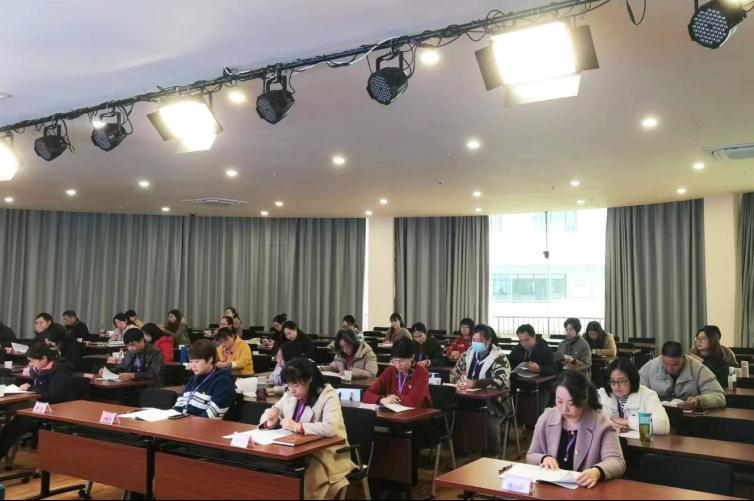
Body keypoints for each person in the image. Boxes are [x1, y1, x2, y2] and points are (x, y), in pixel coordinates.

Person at [260, 358, 354, 499]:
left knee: (305, 476)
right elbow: (273, 411)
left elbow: (330, 428)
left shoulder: (328, 394)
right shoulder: (290, 393)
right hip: (295, 449)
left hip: (326, 453)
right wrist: (270, 421)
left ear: (309, 379)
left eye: (296, 385)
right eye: (289, 385)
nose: (292, 390)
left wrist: (298, 427)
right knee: (270, 469)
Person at [527, 370, 626, 488]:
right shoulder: (547, 418)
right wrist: (544, 458)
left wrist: (597, 471)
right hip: (550, 488)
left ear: (584, 399)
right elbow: (531, 454)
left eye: (571, 403)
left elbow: (617, 462)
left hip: (585, 490)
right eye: (559, 401)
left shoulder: (602, 424)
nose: (564, 409)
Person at [0, 345, 79, 459]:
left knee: (14, 426)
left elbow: (53, 395)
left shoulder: (61, 371)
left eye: (33, 361)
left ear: (44, 358)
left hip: (56, 408)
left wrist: (31, 388)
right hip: (41, 404)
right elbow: (41, 389)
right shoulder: (39, 369)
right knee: (12, 421)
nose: (30, 364)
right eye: (30, 361)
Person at [449, 323, 513, 457]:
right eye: (474, 340)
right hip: (470, 398)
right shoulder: (469, 353)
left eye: (479, 341)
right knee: (456, 417)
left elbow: (500, 381)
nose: (475, 343)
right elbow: (454, 372)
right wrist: (458, 381)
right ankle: (463, 454)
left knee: (487, 423)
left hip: (496, 402)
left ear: (488, 341)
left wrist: (475, 383)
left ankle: (493, 455)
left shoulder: (499, 357)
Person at [639, 341, 726, 410]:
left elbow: (719, 396)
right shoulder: (651, 367)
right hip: (657, 413)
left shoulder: (698, 369)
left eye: (675, 365)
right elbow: (637, 392)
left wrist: (699, 401)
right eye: (665, 364)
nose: (670, 369)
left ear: (683, 358)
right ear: (661, 357)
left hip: (689, 418)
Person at [598, 358, 670, 435]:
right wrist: (611, 423)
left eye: (621, 381)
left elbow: (663, 425)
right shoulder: (603, 395)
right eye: (612, 381)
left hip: (641, 442)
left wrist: (628, 422)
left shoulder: (647, 395)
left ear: (632, 379)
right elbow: (594, 420)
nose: (616, 386)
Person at [174, 339, 236, 420]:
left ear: (210, 359)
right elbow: (179, 406)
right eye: (191, 361)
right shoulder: (193, 379)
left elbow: (212, 416)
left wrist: (186, 422)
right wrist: (173, 417)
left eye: (197, 361)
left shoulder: (223, 381)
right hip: (186, 423)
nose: (193, 366)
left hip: (210, 426)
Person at [364, 337, 432, 408]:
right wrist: (382, 399)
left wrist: (391, 398)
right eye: (394, 361)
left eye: (401, 361)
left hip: (418, 413)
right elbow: (368, 394)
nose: (397, 365)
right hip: (394, 411)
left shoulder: (422, 373)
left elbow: (414, 402)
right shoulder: (390, 370)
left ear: (412, 357)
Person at [508, 324, 557, 410]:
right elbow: (509, 362)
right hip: (521, 384)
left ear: (534, 337)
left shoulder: (545, 349)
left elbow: (553, 370)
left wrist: (539, 369)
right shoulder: (518, 348)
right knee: (512, 405)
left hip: (541, 387)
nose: (524, 343)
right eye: (521, 340)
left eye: (526, 340)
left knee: (536, 409)